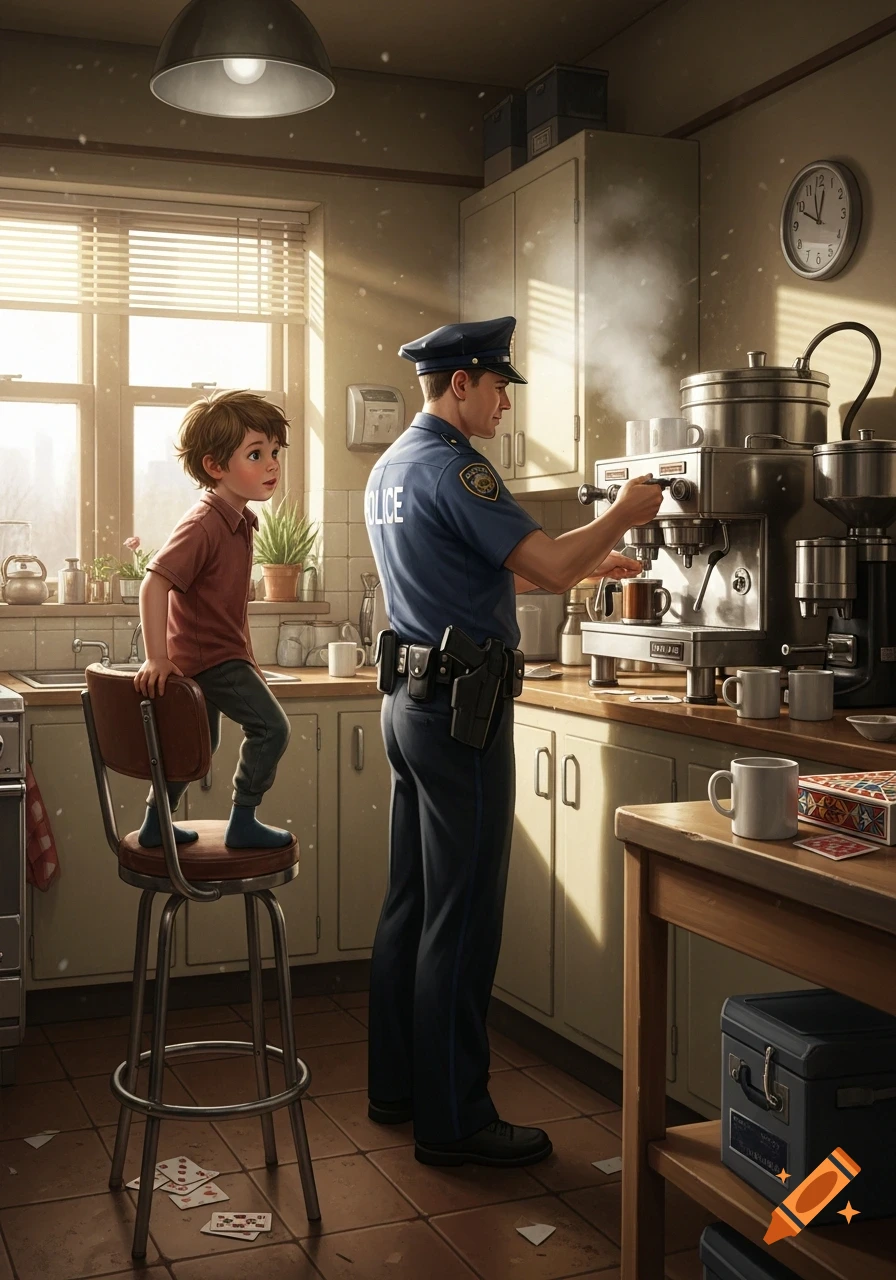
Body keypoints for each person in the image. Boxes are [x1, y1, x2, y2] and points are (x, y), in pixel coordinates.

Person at [364, 315, 663, 1168]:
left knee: (411, 903)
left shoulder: (393, 466)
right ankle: (455, 1120)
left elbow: (471, 568)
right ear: (461, 382)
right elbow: (549, 568)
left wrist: (582, 559)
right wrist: (622, 514)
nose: (504, 403)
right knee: (463, 915)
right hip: (462, 710)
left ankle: (398, 1088)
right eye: (498, 387)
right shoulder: (457, 466)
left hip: (410, 702)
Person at [133, 390, 294, 851]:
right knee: (272, 729)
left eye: (275, 452)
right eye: (256, 454)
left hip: (214, 656)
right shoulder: (205, 522)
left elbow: (222, 606)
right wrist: (156, 658)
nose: (272, 465)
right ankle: (243, 820)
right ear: (215, 466)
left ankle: (156, 824)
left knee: (197, 748)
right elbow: (153, 584)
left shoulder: (237, 520)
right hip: (211, 660)